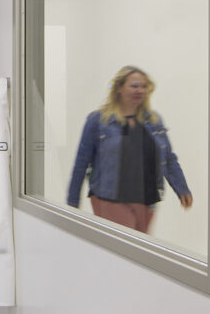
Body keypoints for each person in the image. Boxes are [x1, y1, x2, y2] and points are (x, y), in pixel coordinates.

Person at [67, 65, 192, 233]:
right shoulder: (98, 120)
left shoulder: (154, 121)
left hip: (147, 199)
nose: (139, 90)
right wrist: (72, 204)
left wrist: (181, 188)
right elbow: (81, 162)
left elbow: (168, 158)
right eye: (134, 86)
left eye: (143, 86)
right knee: (122, 251)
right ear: (119, 87)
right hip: (111, 198)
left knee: (139, 253)